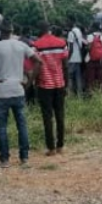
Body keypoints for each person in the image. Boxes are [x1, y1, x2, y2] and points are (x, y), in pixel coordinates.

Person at [0, 21, 43, 169]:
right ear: (12, 30)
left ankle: (4, 160)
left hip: (2, 91)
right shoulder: (21, 45)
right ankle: (24, 158)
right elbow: (39, 61)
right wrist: (29, 82)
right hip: (18, 89)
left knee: (2, 126)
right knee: (21, 125)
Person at [33, 21, 68, 156]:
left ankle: (51, 148)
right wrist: (66, 84)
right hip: (59, 84)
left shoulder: (37, 45)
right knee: (60, 115)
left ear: (40, 30)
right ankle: (60, 146)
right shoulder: (61, 43)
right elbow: (65, 65)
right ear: (49, 30)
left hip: (44, 85)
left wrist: (34, 82)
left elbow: (36, 66)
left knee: (47, 117)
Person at [85, 22, 102, 94]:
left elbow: (88, 48)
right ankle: (100, 93)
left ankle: (91, 94)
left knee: (91, 78)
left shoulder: (89, 36)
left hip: (90, 60)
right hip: (99, 60)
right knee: (99, 78)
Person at [66, 22, 87, 96]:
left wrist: (68, 58)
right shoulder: (78, 31)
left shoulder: (71, 33)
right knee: (78, 77)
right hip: (78, 58)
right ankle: (79, 95)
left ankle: (70, 95)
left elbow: (71, 48)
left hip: (72, 58)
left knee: (70, 77)